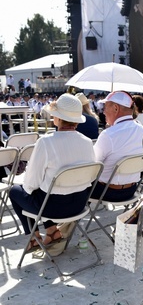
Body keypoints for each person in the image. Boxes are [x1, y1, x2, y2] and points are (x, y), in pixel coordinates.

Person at [9, 93, 96, 251]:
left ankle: (34, 238)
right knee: (46, 190)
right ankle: (52, 231)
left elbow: (31, 184)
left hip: (53, 208)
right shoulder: (87, 142)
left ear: (58, 118)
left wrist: (29, 187)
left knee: (16, 191)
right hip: (80, 204)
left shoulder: (46, 142)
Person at [92, 91, 143, 202]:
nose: (103, 112)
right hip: (131, 190)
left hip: (107, 192)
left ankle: (66, 217)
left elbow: (92, 164)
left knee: (76, 185)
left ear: (116, 108)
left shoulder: (108, 135)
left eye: (105, 107)